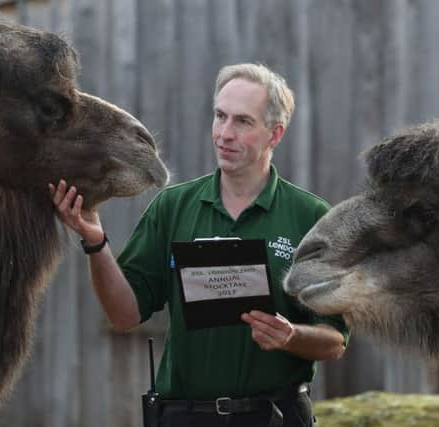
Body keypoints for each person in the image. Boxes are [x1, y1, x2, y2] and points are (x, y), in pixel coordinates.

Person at [49, 63, 349, 427]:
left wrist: (290, 335)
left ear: (275, 134)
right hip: (184, 417)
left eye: (242, 122)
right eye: (220, 116)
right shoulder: (173, 207)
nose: (224, 133)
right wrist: (95, 242)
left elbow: (334, 341)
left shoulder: (312, 216)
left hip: (275, 416)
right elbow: (123, 315)